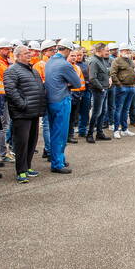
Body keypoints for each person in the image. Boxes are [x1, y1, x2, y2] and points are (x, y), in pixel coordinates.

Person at [4, 44, 46, 183]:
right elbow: (11, 90)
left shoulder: (32, 70)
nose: (29, 55)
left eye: (29, 53)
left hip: (34, 112)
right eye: (26, 53)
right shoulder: (12, 70)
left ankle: (27, 167)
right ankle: (21, 171)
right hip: (22, 113)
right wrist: (23, 104)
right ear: (18, 56)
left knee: (32, 142)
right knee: (21, 143)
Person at [43, 40, 82, 172]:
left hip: (51, 100)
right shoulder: (64, 64)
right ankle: (57, 163)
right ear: (67, 50)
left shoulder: (49, 62)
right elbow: (77, 83)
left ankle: (59, 159)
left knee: (55, 132)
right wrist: (67, 84)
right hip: (61, 101)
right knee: (60, 133)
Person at [0, 38, 14, 164]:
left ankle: (2, 151)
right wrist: (11, 65)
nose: (8, 51)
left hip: (3, 95)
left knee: (4, 125)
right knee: (3, 125)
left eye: (9, 49)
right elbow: (8, 76)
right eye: (6, 49)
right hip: (0, 96)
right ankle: (2, 153)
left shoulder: (4, 61)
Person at [110, 44, 135, 138]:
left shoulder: (130, 61)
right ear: (121, 51)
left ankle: (124, 129)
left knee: (126, 109)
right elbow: (113, 74)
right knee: (118, 109)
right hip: (122, 87)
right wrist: (119, 85)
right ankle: (116, 130)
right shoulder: (117, 61)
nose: (128, 52)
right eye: (126, 50)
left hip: (131, 87)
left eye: (129, 50)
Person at [86, 43, 112, 142]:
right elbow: (92, 78)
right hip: (98, 90)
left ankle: (100, 133)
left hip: (104, 89)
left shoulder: (102, 60)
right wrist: (101, 88)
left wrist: (109, 79)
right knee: (96, 112)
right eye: (106, 50)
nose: (108, 52)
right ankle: (90, 134)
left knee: (103, 112)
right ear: (100, 50)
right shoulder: (94, 61)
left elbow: (105, 73)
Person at [67, 47, 87, 143]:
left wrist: (81, 92)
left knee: (72, 117)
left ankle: (70, 135)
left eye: (75, 56)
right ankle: (67, 135)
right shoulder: (66, 66)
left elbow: (81, 81)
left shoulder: (77, 67)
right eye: (72, 56)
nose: (74, 57)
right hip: (68, 93)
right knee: (67, 116)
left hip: (77, 94)